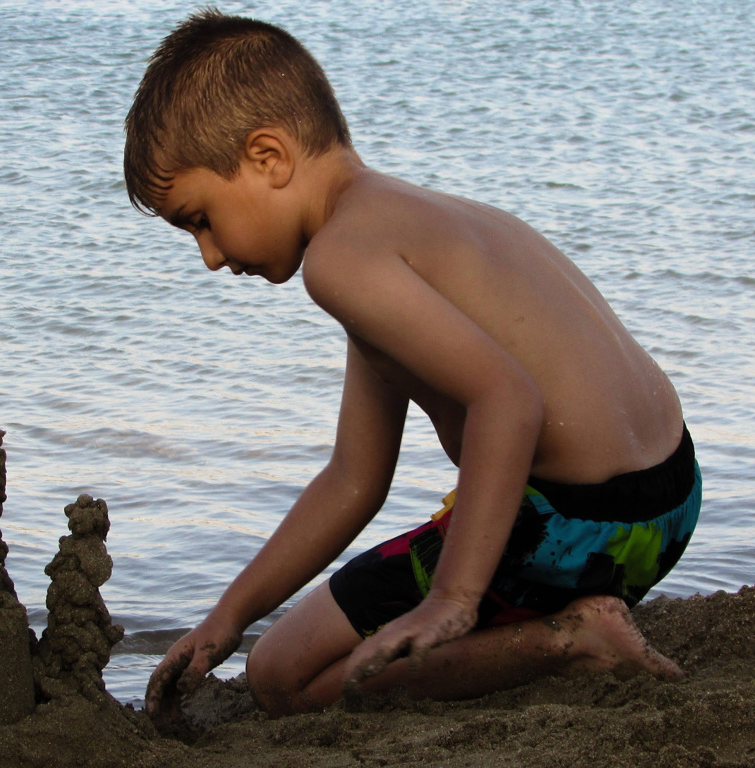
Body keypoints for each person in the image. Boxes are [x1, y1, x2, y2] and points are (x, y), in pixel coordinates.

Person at [123, 9, 701, 723]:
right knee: (293, 641)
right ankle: (560, 613)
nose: (209, 256)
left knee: (280, 676)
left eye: (199, 218)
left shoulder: (341, 260)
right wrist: (227, 616)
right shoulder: (405, 221)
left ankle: (569, 640)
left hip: (572, 529)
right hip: (667, 505)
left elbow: (509, 402)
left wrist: (449, 602)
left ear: (268, 158)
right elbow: (354, 478)